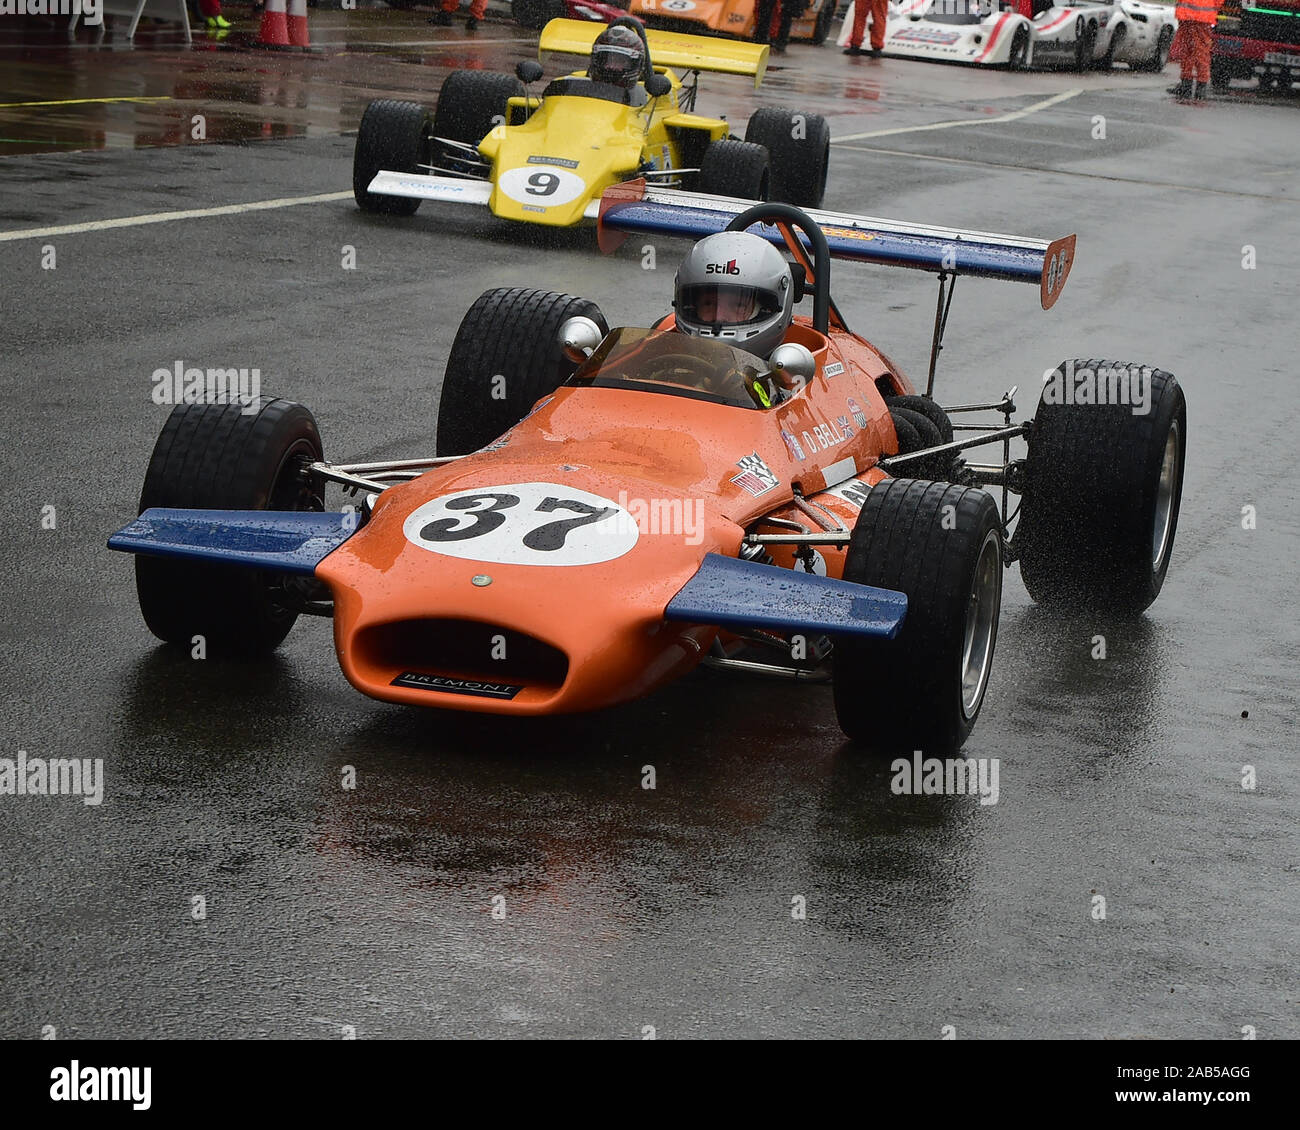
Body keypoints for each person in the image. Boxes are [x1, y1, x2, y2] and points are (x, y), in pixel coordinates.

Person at [672, 232, 801, 405]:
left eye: (738, 306)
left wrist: (743, 390)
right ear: (691, 307)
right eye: (709, 303)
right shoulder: (663, 357)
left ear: (766, 309)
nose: (720, 317)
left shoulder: (788, 380)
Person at [1169, 0, 1224, 99]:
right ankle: (1196, 85)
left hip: (1190, 15)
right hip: (1199, 16)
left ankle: (1189, 85)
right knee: (1196, 51)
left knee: (1190, 51)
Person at [587, 25, 646, 89]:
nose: (612, 66)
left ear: (636, 64)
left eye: (620, 61)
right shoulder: (580, 86)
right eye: (607, 60)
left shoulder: (643, 94)